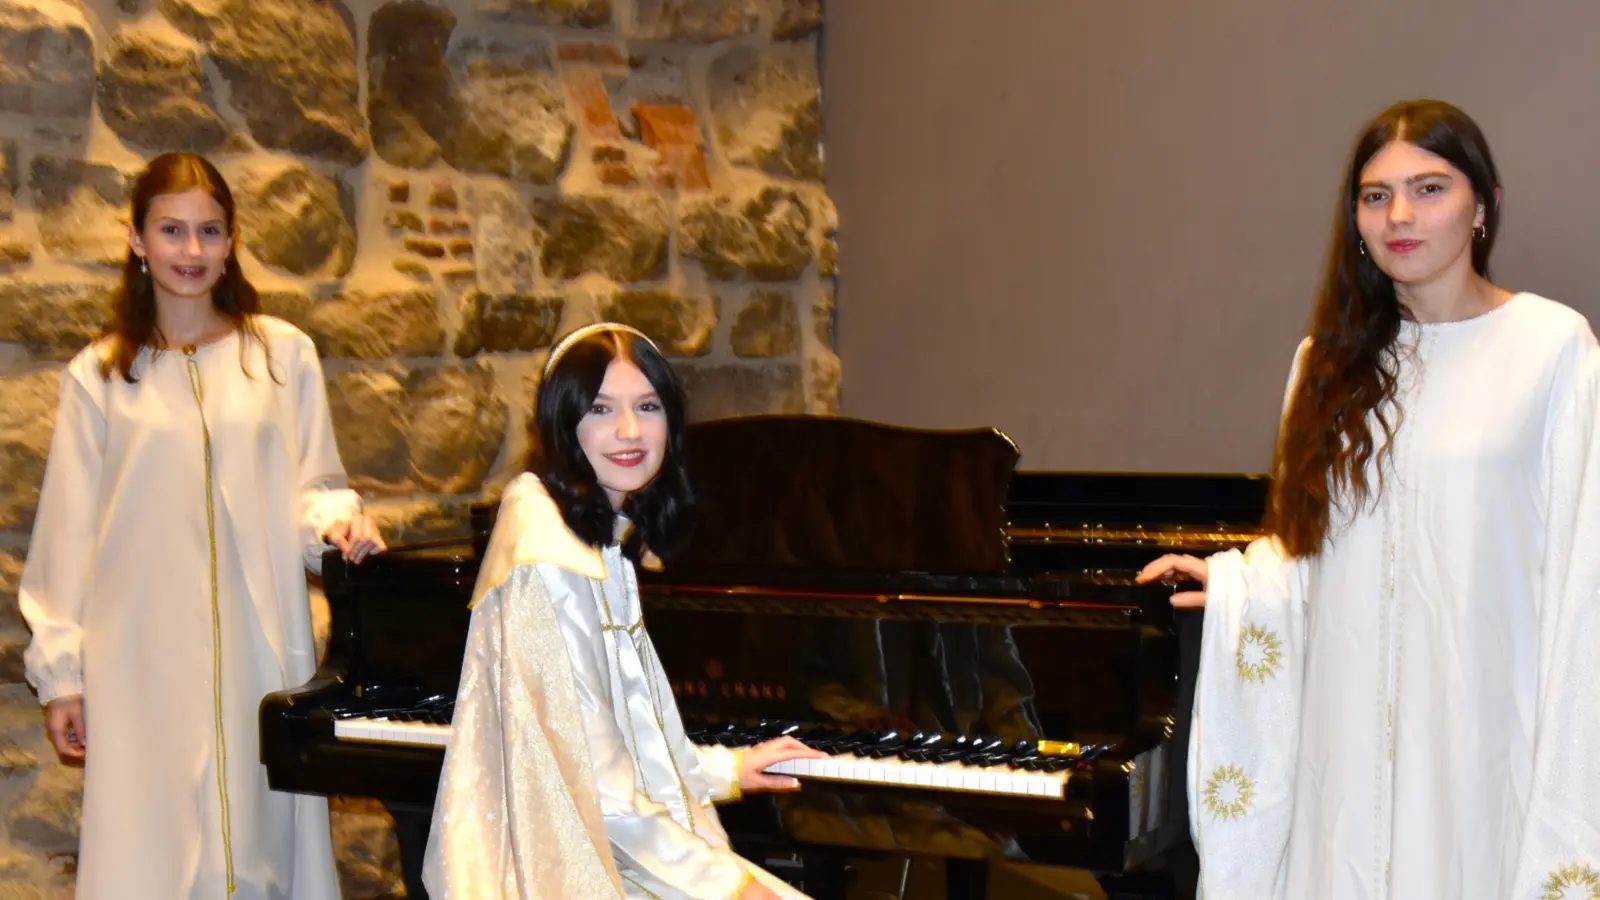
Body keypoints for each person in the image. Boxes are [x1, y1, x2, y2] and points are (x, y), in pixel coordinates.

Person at [1137, 99, 1600, 900]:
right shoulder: (1326, 363)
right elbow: (1313, 545)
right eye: (1376, 196)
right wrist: (1244, 583)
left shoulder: (1551, 349)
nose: (1400, 216)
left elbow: (1585, 562)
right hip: (1345, 751)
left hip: (1482, 741)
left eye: (1430, 188)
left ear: (1483, 206)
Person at [18, 151, 386, 899]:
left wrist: (339, 524)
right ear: (136, 239)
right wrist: (62, 677)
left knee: (260, 836)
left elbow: (313, 487)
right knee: (151, 849)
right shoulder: (99, 376)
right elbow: (66, 534)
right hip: (140, 660)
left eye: (209, 231)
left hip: (260, 647)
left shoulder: (281, 356)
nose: (192, 250)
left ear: (230, 240)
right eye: (172, 230)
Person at [423, 322, 825, 899]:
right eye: (601, 409)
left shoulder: (595, 535)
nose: (630, 430)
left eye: (647, 406)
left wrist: (729, 770)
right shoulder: (549, 557)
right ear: (563, 422)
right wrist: (730, 889)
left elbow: (630, 737)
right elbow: (598, 789)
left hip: (621, 851)